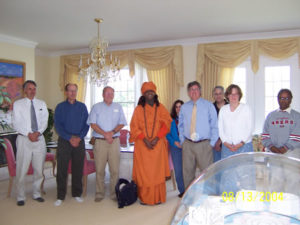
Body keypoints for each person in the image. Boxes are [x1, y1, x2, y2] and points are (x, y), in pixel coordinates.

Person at [130, 81, 172, 205]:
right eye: (147, 91)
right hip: (142, 146)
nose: (150, 93)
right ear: (143, 94)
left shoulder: (161, 108)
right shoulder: (138, 109)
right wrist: (144, 139)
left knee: (156, 173)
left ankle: (158, 197)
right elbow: (134, 127)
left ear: (155, 93)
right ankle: (145, 198)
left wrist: (157, 138)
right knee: (144, 174)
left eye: (151, 91)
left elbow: (167, 124)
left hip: (157, 145)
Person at [87, 86, 127, 202]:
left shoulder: (118, 107)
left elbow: (122, 123)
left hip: (114, 141)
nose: (110, 95)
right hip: (100, 142)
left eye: (112, 93)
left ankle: (114, 194)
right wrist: (105, 134)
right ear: (103, 94)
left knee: (115, 170)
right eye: (108, 93)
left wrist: (112, 132)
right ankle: (99, 193)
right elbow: (93, 124)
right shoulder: (96, 107)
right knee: (100, 169)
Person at [12, 80, 49, 206]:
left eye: (34, 88)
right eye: (29, 89)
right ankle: (20, 196)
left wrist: (37, 133)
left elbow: (45, 121)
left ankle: (36, 193)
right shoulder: (18, 104)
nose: (32, 91)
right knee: (21, 169)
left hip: (39, 139)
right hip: (24, 139)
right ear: (24, 90)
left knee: (39, 169)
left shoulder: (41, 103)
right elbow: (16, 123)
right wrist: (28, 133)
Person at [178, 81, 218, 189]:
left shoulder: (209, 106)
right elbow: (180, 125)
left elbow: (215, 125)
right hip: (188, 144)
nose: (194, 91)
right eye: (191, 89)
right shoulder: (184, 107)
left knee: (207, 173)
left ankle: (209, 196)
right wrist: (182, 141)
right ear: (188, 92)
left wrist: (212, 143)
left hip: (204, 144)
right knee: (187, 173)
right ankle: (189, 198)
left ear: (200, 91)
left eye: (196, 89)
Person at [54, 83, 89, 206]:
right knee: (62, 168)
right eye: (70, 91)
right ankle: (60, 196)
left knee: (77, 168)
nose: (73, 93)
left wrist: (79, 138)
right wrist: (69, 138)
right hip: (64, 141)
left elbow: (87, 125)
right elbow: (58, 126)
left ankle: (76, 193)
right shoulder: (60, 107)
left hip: (79, 141)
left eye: (75, 91)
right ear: (66, 92)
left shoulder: (82, 107)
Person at [218, 84, 254, 193]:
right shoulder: (223, 110)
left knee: (245, 175)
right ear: (227, 96)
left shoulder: (246, 108)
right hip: (227, 148)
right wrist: (225, 142)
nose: (233, 96)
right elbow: (220, 128)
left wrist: (241, 143)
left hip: (244, 146)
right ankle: (229, 202)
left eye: (236, 94)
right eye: (231, 94)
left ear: (239, 95)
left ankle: (247, 202)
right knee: (228, 175)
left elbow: (250, 128)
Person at [262, 89, 300, 159]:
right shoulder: (271, 116)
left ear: (291, 99)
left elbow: (297, 137)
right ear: (278, 99)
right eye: (281, 98)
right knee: (274, 170)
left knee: (290, 170)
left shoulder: (297, 116)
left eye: (287, 98)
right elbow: (265, 136)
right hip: (273, 152)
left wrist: (285, 148)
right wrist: (272, 148)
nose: (283, 100)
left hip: (291, 153)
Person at [166, 100, 185, 197]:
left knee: (187, 170)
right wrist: (175, 142)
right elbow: (167, 135)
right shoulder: (170, 120)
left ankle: (189, 190)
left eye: (180, 106)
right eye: (176, 107)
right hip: (175, 147)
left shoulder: (188, 118)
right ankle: (182, 190)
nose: (178, 109)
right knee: (178, 170)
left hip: (187, 147)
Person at [212, 86, 228, 162]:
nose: (218, 96)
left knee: (228, 169)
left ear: (224, 94)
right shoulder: (210, 108)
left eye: (220, 94)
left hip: (228, 144)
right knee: (216, 169)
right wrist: (215, 142)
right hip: (214, 144)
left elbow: (229, 127)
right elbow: (209, 126)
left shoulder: (229, 107)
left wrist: (220, 141)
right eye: (216, 94)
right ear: (213, 96)